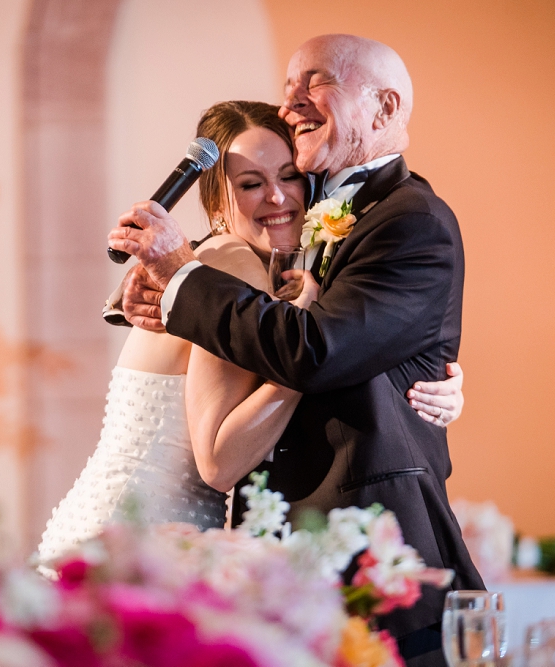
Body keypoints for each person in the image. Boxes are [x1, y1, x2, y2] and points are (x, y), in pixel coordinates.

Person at [108, 35, 483, 667]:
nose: (291, 104)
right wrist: (170, 280)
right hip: (284, 550)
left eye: (316, 82)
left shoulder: (411, 220)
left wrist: (180, 275)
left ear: (385, 107)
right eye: (287, 89)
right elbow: (246, 260)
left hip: (370, 549)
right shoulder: (307, 213)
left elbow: (321, 348)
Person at [38, 101, 465, 565]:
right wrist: (305, 359)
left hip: (150, 528)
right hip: (135, 537)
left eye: (289, 176)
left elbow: (351, 331)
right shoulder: (232, 266)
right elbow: (219, 463)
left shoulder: (234, 270)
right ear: (217, 204)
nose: (277, 197)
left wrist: (424, 375)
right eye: (251, 183)